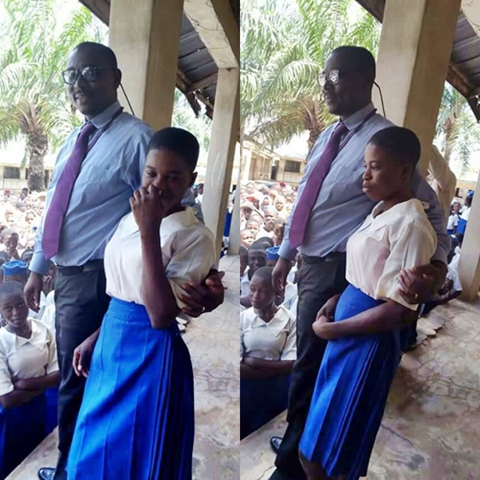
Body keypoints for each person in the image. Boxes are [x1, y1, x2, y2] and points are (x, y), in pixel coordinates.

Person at [24, 42, 224, 480]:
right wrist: (39, 266)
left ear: (116, 79)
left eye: (91, 71)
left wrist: (204, 271)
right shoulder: (72, 141)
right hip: (90, 286)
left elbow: (174, 215)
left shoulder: (138, 139)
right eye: (72, 73)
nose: (79, 82)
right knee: (84, 386)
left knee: (89, 398)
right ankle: (76, 467)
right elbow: (59, 204)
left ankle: (69, 469)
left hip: (108, 283)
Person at [269, 46, 449, 480]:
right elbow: (308, 197)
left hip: (345, 271)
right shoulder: (328, 136)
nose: (325, 86)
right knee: (311, 363)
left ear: (365, 80)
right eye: (323, 77)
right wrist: (285, 255)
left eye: (336, 76)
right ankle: (298, 446)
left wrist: (436, 269)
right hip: (312, 265)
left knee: (315, 366)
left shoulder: (386, 144)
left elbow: (431, 214)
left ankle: (294, 463)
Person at [65, 127, 216, 480]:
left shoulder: (194, 236)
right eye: (151, 173)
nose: (158, 185)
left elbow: (160, 314)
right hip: (112, 342)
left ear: (191, 180)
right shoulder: (127, 220)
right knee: (90, 449)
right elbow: (124, 290)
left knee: (133, 456)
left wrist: (150, 230)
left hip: (150, 352)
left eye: (173, 177)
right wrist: (97, 336)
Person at [298, 127, 436, 480]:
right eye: (365, 166)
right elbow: (368, 275)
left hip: (366, 344)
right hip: (346, 331)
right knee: (314, 444)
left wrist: (331, 330)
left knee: (330, 452)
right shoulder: (380, 210)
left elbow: (398, 310)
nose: (366, 175)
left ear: (403, 171)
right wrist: (336, 299)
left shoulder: (411, 224)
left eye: (375, 167)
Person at [0, 281, 59, 477]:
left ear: (28, 301)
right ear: (0, 310)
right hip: (12, 418)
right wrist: (45, 383)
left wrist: (25, 384)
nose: (16, 313)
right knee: (11, 463)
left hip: (42, 408)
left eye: (20, 304)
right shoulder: (2, 341)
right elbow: (6, 400)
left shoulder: (43, 330)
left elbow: (58, 374)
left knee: (40, 456)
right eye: (8, 308)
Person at [240, 267, 296, 439]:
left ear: (277, 293)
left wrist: (253, 362)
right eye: (252, 290)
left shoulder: (289, 321)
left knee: (268, 432)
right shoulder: (242, 318)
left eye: (263, 291)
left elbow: (291, 363)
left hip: (276, 389)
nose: (255, 296)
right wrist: (274, 368)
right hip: (247, 387)